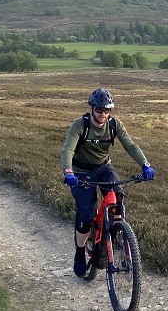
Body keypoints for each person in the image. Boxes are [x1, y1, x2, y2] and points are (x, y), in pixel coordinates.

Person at [61, 87, 155, 277]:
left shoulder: (114, 125)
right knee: (86, 214)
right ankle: (80, 252)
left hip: (104, 168)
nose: (102, 114)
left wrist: (145, 164)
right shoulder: (80, 125)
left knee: (117, 197)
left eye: (106, 110)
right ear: (91, 108)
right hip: (81, 172)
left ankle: (115, 231)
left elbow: (130, 145)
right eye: (99, 110)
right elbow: (68, 150)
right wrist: (69, 172)